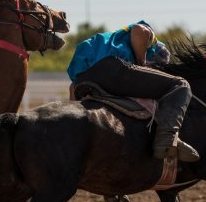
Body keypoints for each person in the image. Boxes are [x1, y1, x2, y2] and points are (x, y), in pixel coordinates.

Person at [66, 20, 199, 162]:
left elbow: (72, 88)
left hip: (83, 78)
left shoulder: (114, 38)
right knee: (181, 85)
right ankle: (167, 139)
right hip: (112, 68)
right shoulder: (153, 42)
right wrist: (142, 65)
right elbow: (138, 29)